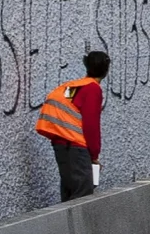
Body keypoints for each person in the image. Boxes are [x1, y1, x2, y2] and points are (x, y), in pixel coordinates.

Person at [38, 50, 111, 201]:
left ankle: (66, 224)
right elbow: (91, 124)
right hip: (75, 147)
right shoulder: (92, 89)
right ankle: (79, 225)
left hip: (61, 144)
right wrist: (94, 155)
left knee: (69, 190)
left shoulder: (76, 87)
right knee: (82, 195)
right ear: (106, 69)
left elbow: (64, 104)